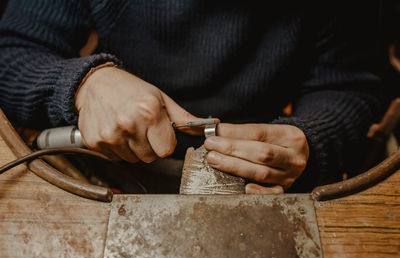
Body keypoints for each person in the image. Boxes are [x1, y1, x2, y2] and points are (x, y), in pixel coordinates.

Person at [0, 1, 382, 194]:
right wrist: (83, 84)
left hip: (256, 184)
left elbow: (352, 84)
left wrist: (313, 139)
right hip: (110, 170)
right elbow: (12, 53)